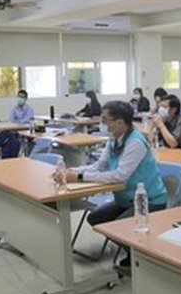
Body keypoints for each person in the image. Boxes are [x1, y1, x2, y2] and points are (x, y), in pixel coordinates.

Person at [63, 101, 167, 268]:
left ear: (120, 122)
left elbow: (120, 176)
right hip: (125, 198)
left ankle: (143, 259)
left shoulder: (135, 142)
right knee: (96, 218)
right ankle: (134, 252)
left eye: (105, 120)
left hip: (149, 200)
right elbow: (99, 166)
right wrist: (70, 171)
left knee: (117, 229)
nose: (102, 123)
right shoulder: (114, 140)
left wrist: (79, 176)